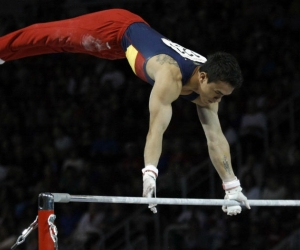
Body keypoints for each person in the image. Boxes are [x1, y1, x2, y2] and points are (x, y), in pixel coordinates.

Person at [0, 8, 250, 215]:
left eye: (224, 96)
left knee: (61, 47)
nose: (218, 99)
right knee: (53, 36)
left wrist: (232, 185)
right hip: (116, 27)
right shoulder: (170, 74)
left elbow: (215, 138)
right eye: (218, 93)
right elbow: (156, 127)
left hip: (123, 50)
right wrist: (150, 174)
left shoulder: (209, 91)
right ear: (203, 77)